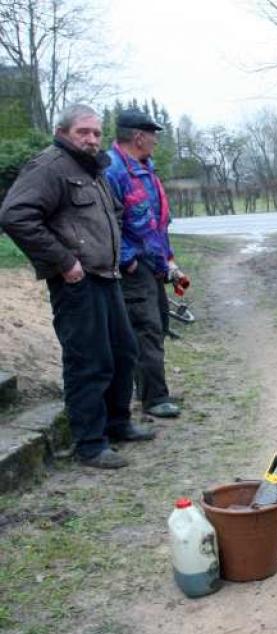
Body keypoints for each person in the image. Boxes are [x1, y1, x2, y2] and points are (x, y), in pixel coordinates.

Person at [0, 104, 155, 469]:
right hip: (77, 282)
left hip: (106, 275)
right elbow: (14, 215)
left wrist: (112, 247)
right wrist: (64, 260)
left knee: (123, 352)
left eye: (96, 133)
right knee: (90, 360)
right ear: (64, 131)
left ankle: (118, 424)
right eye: (83, 132)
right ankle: (90, 443)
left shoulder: (94, 168)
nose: (91, 139)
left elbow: (114, 210)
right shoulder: (50, 167)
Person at [105, 108, 187, 419]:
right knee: (145, 329)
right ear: (138, 137)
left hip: (152, 265)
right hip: (134, 268)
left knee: (158, 325)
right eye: (152, 135)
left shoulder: (144, 169)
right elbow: (108, 224)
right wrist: (128, 263)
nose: (155, 140)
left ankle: (150, 391)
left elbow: (155, 224)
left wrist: (169, 261)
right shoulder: (113, 171)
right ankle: (154, 399)